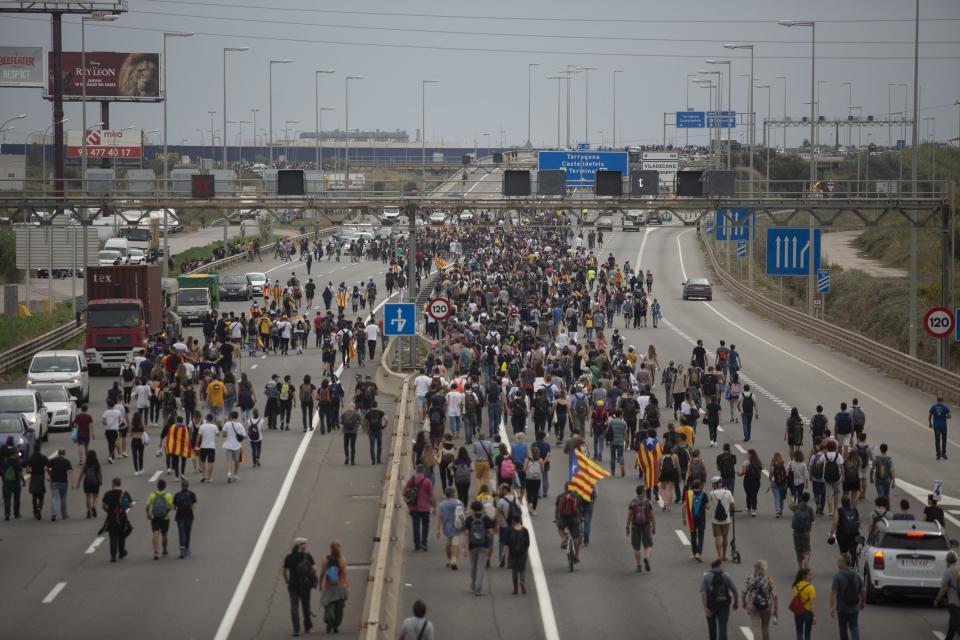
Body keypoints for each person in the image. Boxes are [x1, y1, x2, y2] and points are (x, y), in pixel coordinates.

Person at [282, 537, 317, 637]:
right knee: (306, 606)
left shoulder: (288, 557)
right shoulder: (307, 556)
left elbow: (284, 571)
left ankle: (296, 630)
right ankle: (308, 627)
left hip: (293, 586)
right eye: (303, 544)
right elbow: (315, 568)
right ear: (299, 545)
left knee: (294, 607)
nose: (305, 545)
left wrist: (287, 580)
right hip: (305, 586)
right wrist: (310, 575)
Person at [700, 558, 739, 640]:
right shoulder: (726, 575)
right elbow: (735, 590)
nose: (724, 567)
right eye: (723, 565)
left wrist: (705, 608)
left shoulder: (706, 576)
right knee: (722, 627)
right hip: (723, 605)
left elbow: (703, 593)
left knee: (712, 627)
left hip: (711, 605)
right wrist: (736, 602)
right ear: (719, 565)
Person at [462, 500, 495, 596]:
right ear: (482, 508)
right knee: (481, 567)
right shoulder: (486, 518)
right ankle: (478, 588)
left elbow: (466, 534)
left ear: (472, 509)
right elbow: (490, 532)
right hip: (483, 545)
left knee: (473, 566)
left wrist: (464, 547)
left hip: (472, 546)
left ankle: (473, 585)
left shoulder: (469, 519)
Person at [830, 554, 865, 640]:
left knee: (843, 629)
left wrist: (832, 607)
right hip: (854, 607)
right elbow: (863, 590)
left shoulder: (837, 576)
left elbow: (834, 593)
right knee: (854, 627)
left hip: (842, 608)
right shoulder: (856, 575)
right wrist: (862, 602)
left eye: (839, 561)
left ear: (843, 563)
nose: (837, 563)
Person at [742, 560, 778, 640]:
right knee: (765, 627)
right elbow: (775, 595)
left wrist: (744, 603)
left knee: (756, 627)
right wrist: (775, 609)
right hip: (766, 605)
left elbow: (744, 592)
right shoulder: (768, 579)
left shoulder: (750, 579)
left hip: (753, 604)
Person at [403, 464, 435, 552]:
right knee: (425, 525)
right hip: (425, 508)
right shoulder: (427, 481)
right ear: (423, 471)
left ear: (416, 470)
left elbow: (404, 491)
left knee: (415, 525)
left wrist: (408, 502)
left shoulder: (412, 479)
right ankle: (424, 542)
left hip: (414, 507)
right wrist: (433, 506)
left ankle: (417, 544)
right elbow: (431, 496)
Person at [319, 539, 349, 633]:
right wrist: (347, 587)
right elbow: (344, 574)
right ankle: (336, 626)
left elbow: (322, 574)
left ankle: (329, 623)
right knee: (339, 608)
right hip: (340, 586)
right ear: (339, 547)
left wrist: (320, 584)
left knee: (329, 606)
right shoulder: (342, 560)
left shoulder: (326, 560)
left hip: (328, 587)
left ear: (330, 548)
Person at [100, 477, 132, 562]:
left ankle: (113, 556)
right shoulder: (124, 493)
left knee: (113, 536)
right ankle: (121, 553)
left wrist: (109, 511)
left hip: (112, 518)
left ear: (113, 483)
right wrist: (123, 509)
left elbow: (103, 505)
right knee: (121, 535)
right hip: (122, 517)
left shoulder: (108, 493)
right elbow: (130, 504)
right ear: (120, 483)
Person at [627, 484, 656, 573]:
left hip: (635, 526)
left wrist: (627, 527)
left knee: (636, 547)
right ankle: (646, 557)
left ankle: (639, 566)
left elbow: (629, 516)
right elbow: (651, 515)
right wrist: (654, 526)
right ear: (643, 492)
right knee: (648, 544)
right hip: (646, 525)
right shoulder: (648, 502)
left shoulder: (633, 502)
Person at [436, 486, 464, 570]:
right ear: (453, 494)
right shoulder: (459, 503)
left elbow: (440, 517)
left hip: (446, 527)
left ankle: (449, 560)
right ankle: (454, 560)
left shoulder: (442, 504)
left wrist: (438, 529)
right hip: (457, 526)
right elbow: (461, 515)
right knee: (455, 544)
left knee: (448, 545)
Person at [555, 483, 584, 563]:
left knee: (560, 527)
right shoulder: (577, 497)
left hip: (563, 519)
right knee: (576, 538)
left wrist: (557, 518)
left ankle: (565, 538)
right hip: (574, 519)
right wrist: (581, 518)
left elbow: (557, 509)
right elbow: (580, 509)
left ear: (564, 489)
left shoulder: (560, 496)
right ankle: (577, 556)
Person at [934, 551, 960, 640]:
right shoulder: (959, 569)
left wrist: (937, 600)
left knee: (956, 624)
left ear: (947, 561)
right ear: (956, 560)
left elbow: (944, 588)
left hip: (954, 603)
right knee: (952, 624)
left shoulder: (948, 571)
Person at [146, 478, 174, 560]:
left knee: (155, 533)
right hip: (165, 517)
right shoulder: (168, 495)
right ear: (165, 486)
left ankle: (156, 552)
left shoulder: (153, 495)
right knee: (164, 534)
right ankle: (164, 549)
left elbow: (147, 506)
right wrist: (166, 512)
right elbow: (171, 506)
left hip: (155, 517)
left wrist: (148, 514)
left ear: (157, 486)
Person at [708, 476, 735, 562]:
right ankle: (724, 555)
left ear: (714, 484)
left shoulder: (711, 493)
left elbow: (709, 504)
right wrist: (731, 511)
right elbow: (732, 505)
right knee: (725, 536)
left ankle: (719, 556)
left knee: (717, 537)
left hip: (715, 520)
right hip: (726, 519)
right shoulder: (728, 492)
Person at [683, 479, 709, 562]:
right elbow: (708, 506)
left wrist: (684, 518)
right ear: (700, 486)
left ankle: (694, 554)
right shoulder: (704, 495)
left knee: (693, 536)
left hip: (692, 519)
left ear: (692, 486)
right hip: (701, 519)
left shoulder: (689, 494)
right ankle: (698, 553)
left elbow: (683, 506)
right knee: (701, 537)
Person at [789, 492, 816, 569]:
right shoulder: (810, 509)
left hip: (796, 532)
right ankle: (806, 564)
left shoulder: (797, 507)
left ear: (801, 498)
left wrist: (792, 501)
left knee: (798, 550)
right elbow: (813, 521)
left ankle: (800, 568)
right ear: (808, 499)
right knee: (807, 549)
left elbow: (790, 506)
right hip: (805, 532)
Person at [831, 496, 862, 561]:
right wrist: (857, 527)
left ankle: (845, 565)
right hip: (854, 533)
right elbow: (859, 520)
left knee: (843, 551)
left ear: (842, 503)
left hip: (842, 534)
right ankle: (853, 564)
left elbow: (835, 523)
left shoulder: (839, 511)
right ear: (849, 502)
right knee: (853, 550)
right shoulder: (854, 510)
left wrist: (832, 534)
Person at [506, 514, 531, 594]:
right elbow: (527, 543)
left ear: (513, 521)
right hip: (523, 553)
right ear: (520, 520)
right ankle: (522, 582)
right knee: (522, 569)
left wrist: (506, 553)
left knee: (514, 570)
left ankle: (515, 588)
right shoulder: (525, 530)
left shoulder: (510, 530)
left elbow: (507, 543)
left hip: (513, 552)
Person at [46, 448, 73, 521]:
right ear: (64, 454)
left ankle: (54, 514)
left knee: (54, 498)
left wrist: (49, 474)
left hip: (54, 481)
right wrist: (72, 483)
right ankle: (64, 514)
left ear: (58, 453)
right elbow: (70, 472)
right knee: (63, 498)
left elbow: (46, 468)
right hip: (64, 482)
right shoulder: (67, 461)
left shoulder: (53, 461)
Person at [790, 567, 817, 640]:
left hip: (798, 611)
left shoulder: (795, 586)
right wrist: (814, 616)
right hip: (808, 612)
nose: (811, 576)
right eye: (810, 575)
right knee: (807, 633)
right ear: (804, 576)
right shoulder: (811, 587)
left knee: (799, 632)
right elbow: (812, 603)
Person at [173, 478, 197, 558]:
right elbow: (194, 506)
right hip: (189, 516)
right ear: (188, 486)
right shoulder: (192, 494)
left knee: (181, 533)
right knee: (187, 532)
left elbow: (174, 507)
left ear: (181, 486)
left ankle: (182, 550)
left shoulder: (177, 495)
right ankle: (187, 548)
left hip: (180, 515)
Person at [221, 411, 246, 483]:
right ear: (237, 417)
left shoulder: (227, 424)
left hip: (228, 445)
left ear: (231, 416)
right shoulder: (240, 425)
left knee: (229, 461)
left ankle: (229, 473)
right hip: (237, 446)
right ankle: (235, 474)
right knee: (236, 461)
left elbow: (223, 435)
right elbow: (244, 436)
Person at [77, 450, 102, 519]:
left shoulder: (85, 464)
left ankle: (88, 511)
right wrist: (100, 480)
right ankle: (94, 506)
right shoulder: (97, 464)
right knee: (96, 496)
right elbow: (99, 473)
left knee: (88, 497)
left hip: (87, 482)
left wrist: (78, 483)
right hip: (95, 481)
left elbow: (81, 474)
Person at [1, 444, 23, 520]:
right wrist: (23, 481)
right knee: (17, 499)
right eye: (17, 453)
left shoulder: (5, 462)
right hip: (16, 482)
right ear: (15, 454)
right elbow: (20, 473)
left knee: (7, 499)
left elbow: (2, 472)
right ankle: (16, 513)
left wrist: (5, 479)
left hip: (7, 483)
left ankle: (7, 514)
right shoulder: (18, 462)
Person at [26, 444, 47, 520]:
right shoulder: (44, 458)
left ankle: (35, 512)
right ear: (40, 449)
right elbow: (48, 467)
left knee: (34, 496)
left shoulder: (31, 458)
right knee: (41, 495)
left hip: (34, 477)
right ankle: (39, 508)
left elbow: (27, 470)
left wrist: (31, 472)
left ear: (34, 449)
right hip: (41, 477)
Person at [929, 395, 952, 460]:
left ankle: (938, 455)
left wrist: (930, 423)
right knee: (944, 440)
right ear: (942, 400)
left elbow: (929, 416)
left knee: (937, 440)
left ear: (937, 400)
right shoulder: (945, 407)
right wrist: (944, 417)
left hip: (936, 426)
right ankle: (943, 453)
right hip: (943, 426)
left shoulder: (933, 407)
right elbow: (950, 416)